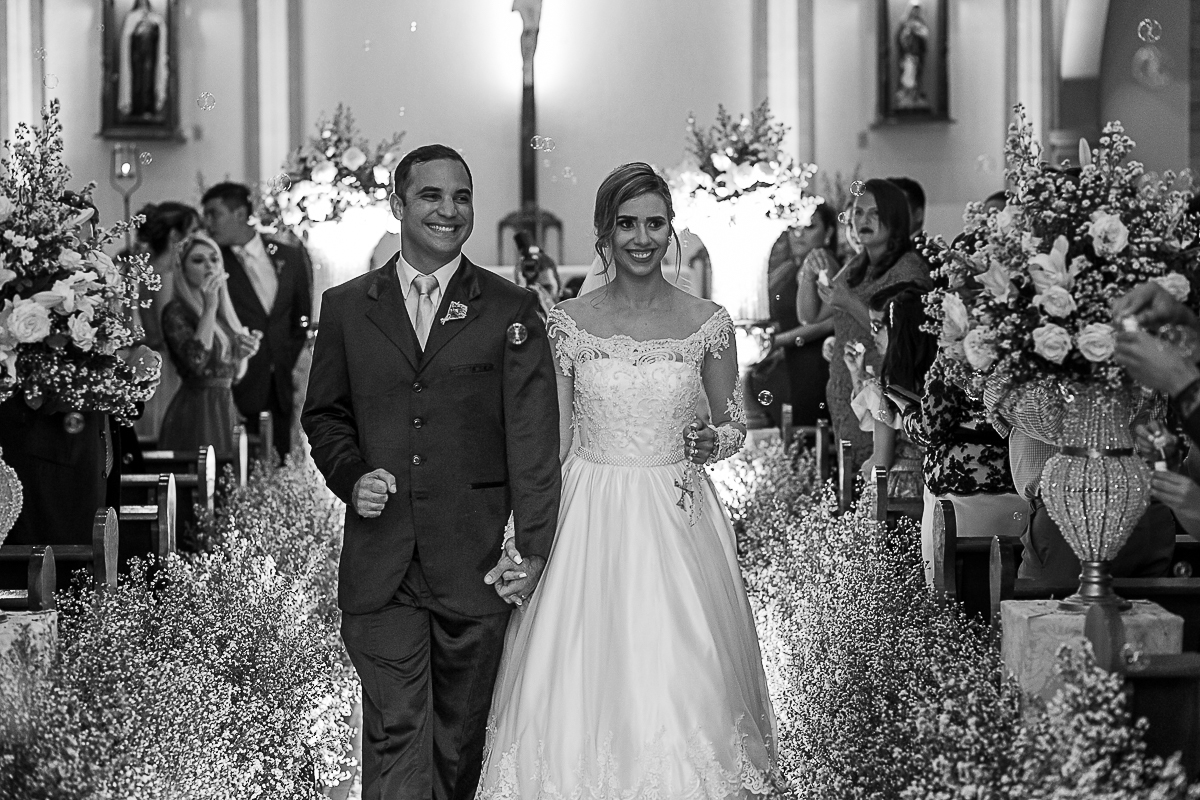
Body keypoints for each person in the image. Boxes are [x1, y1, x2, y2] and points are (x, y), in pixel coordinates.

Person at [477, 163, 781, 799]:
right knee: (580, 666)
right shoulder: (565, 323)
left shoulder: (709, 321)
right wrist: (523, 529)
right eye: (626, 224)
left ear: (671, 231)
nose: (641, 238)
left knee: (682, 667)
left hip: (676, 512)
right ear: (603, 234)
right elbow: (555, 441)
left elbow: (735, 424)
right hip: (589, 507)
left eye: (654, 223)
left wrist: (713, 441)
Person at [301, 144, 561, 800]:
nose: (449, 210)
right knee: (397, 728)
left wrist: (532, 548)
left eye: (462, 197)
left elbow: (533, 443)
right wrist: (351, 474)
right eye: (431, 196)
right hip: (381, 568)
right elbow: (324, 416)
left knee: (457, 744)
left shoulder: (511, 310)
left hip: (475, 567)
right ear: (397, 204)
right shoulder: (345, 308)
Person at [821, 178, 931, 476]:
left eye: (875, 213)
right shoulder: (856, 266)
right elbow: (818, 315)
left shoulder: (909, 268)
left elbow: (899, 334)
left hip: (887, 405)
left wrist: (850, 303)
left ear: (895, 219)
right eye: (858, 212)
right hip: (849, 387)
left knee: (878, 486)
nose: (864, 220)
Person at [202, 182, 312, 461]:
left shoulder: (287, 255)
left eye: (214, 214)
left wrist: (284, 354)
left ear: (239, 213)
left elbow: (301, 315)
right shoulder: (212, 262)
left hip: (280, 380)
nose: (208, 223)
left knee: (280, 459)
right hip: (237, 382)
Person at [158, 232, 260, 459]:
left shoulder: (225, 315)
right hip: (197, 412)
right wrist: (210, 307)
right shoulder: (176, 311)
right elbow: (196, 361)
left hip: (225, 407)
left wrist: (243, 354)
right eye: (198, 260)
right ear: (182, 269)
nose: (209, 266)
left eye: (214, 259)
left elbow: (233, 376)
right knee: (202, 482)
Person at [846, 281, 936, 497]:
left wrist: (863, 473)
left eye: (878, 327)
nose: (872, 335)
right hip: (935, 486)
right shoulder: (937, 379)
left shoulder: (888, 389)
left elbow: (881, 461)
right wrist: (857, 375)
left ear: (900, 328)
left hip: (901, 492)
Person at [753, 202, 839, 427]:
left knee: (806, 433)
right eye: (794, 227)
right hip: (786, 363)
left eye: (809, 227)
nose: (799, 234)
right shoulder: (787, 268)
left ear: (828, 232)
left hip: (812, 365)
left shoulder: (824, 264)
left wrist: (777, 341)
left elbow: (830, 320)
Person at [133, 201, 201, 441]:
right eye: (192, 231)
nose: (196, 237)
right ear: (175, 235)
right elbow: (168, 327)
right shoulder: (164, 273)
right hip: (169, 363)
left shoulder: (149, 269)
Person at [118, 0, 168, 119]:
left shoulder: (156, 18)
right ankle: (136, 107)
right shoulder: (131, 18)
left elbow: (160, 38)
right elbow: (128, 37)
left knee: (149, 81)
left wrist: (151, 25)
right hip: (136, 58)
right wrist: (140, 27)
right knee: (137, 82)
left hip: (151, 57)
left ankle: (149, 107)